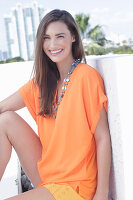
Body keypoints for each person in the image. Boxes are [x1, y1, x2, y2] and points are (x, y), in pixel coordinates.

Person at [0, 9, 111, 200]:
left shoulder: (86, 77)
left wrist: (101, 193)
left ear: (74, 37)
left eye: (60, 36)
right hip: (50, 174)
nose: (52, 44)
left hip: (76, 185)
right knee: (5, 120)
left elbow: (102, 137)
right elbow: (3, 107)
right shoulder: (42, 82)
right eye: (46, 38)